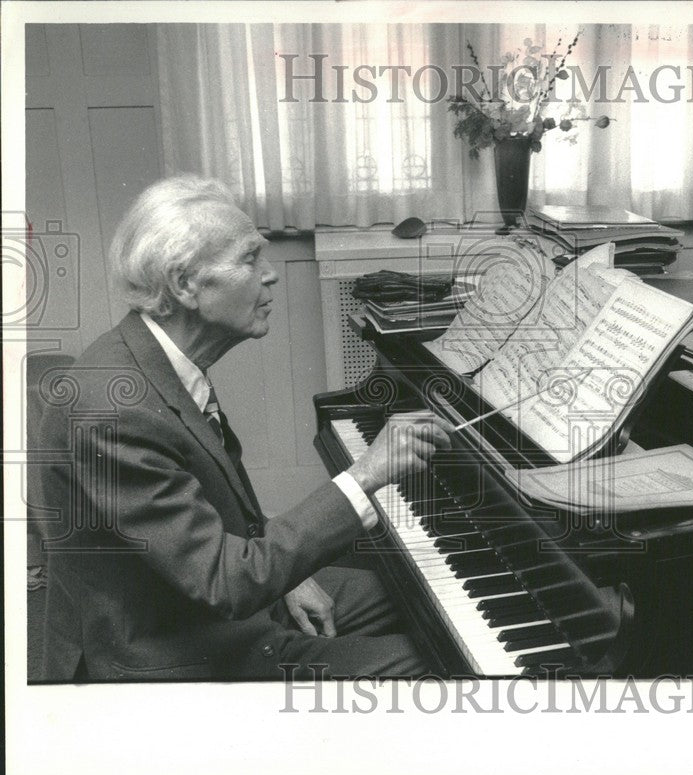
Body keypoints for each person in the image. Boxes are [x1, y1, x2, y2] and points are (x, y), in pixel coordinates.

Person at [40, 175, 451, 681]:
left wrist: (286, 580)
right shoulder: (114, 409)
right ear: (185, 284)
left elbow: (213, 524)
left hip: (216, 594)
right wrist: (365, 475)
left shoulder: (162, 360)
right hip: (165, 651)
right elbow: (225, 583)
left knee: (432, 594)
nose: (271, 275)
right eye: (249, 259)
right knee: (447, 667)